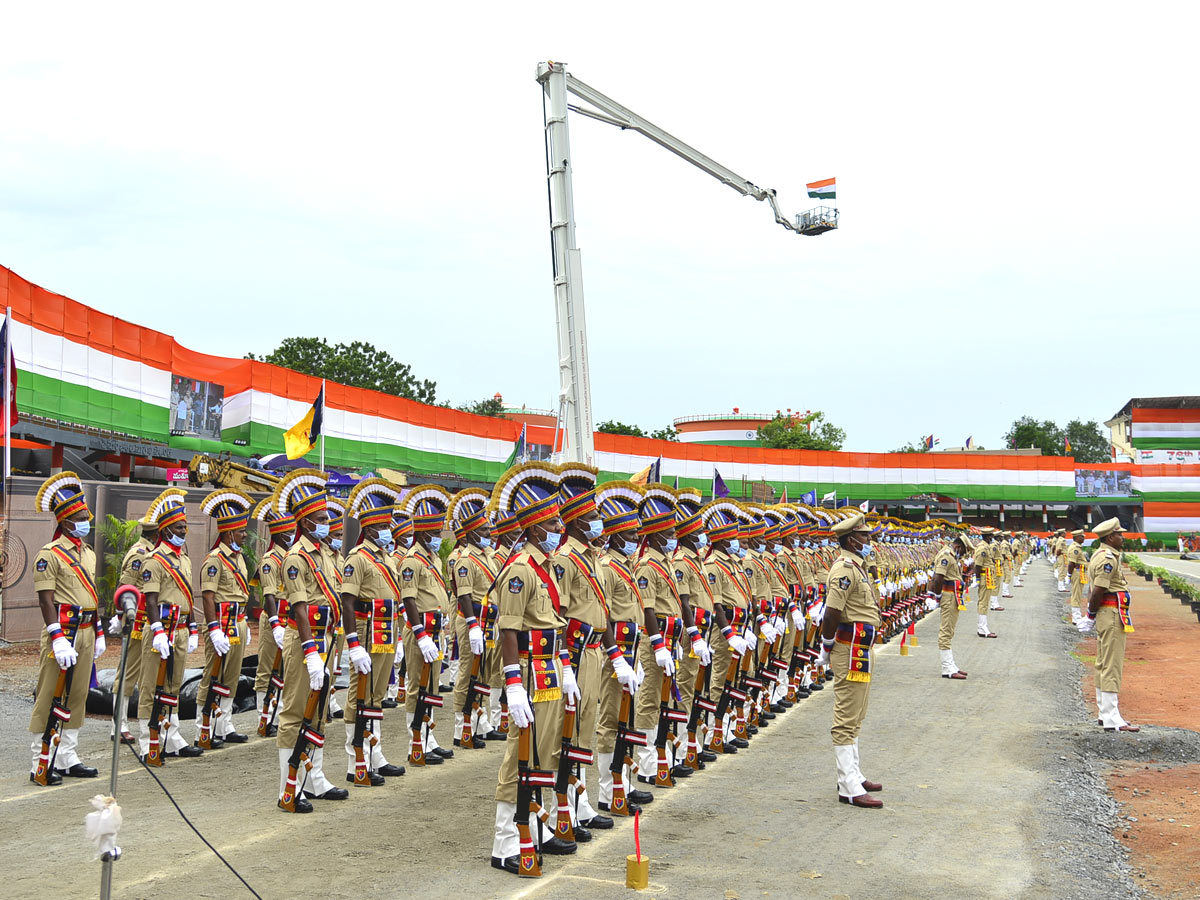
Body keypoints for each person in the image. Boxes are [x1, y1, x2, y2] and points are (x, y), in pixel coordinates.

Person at [488, 463, 574, 874]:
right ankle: (505, 841)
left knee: (543, 752)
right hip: (527, 671)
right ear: (537, 527)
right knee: (516, 755)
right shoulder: (520, 569)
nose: (561, 526)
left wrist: (564, 666)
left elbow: (553, 624)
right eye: (555, 520)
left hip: (549, 669)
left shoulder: (548, 566)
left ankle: (535, 829)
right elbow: (509, 629)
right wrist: (513, 685)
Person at [275, 468, 348, 811]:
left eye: (328, 518)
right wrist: (310, 652)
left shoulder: (326, 554)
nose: (327, 524)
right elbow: (301, 608)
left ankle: (313, 777)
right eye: (320, 519)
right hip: (306, 640)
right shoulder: (295, 558)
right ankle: (287, 788)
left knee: (318, 713)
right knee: (294, 711)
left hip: (327, 640)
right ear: (305, 524)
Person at [29, 472, 102, 784]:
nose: (87, 520)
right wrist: (57, 637)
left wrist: (98, 631)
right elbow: (46, 601)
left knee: (77, 695)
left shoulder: (88, 552)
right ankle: (39, 761)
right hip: (63, 632)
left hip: (85, 631)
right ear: (67, 520)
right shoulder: (49, 554)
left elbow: (91, 596)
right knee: (49, 694)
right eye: (82, 516)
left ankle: (68, 755)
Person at [340, 477, 407, 785]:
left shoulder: (386, 557)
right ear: (369, 529)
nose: (388, 531)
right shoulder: (358, 557)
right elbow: (348, 601)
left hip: (386, 629)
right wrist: (353, 643)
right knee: (360, 694)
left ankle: (374, 752)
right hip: (367, 631)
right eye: (383, 526)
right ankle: (356, 759)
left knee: (377, 694)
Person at [593, 482, 652, 816]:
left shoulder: (625, 566)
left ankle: (624, 781)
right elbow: (605, 617)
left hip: (631, 652)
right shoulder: (606, 567)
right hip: (613, 653)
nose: (634, 540)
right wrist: (617, 658)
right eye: (629, 535)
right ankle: (606, 789)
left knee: (625, 718)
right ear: (615, 536)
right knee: (610, 719)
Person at [818, 512, 883, 809]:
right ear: (850, 539)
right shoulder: (844, 569)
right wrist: (827, 646)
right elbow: (831, 614)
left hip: (860, 645)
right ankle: (848, 784)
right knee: (846, 716)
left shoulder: (857, 565)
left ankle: (853, 774)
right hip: (848, 645)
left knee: (857, 713)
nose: (869, 540)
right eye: (864, 536)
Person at [135, 488, 202, 761]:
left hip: (182, 629)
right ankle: (146, 741)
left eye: (185, 527)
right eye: (178, 527)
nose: (183, 532)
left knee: (174, 685)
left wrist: (194, 626)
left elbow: (188, 595)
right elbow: (150, 599)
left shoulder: (183, 558)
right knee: (151, 686)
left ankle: (171, 736)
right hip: (161, 629)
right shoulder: (154, 560)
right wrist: (158, 630)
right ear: (164, 530)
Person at [194, 488, 255, 748]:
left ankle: (224, 723)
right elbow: (208, 597)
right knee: (212, 674)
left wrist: (244, 624)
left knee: (231, 675)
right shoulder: (215, 560)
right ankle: (203, 727)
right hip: (221, 623)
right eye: (241, 531)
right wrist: (214, 629)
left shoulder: (238, 557)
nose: (244, 535)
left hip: (237, 621)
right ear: (229, 532)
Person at [398, 485, 455, 765]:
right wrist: (420, 635)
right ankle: (415, 742)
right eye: (434, 534)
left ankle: (429, 738)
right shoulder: (411, 560)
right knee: (416, 687)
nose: (437, 539)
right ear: (422, 534)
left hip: (435, 631)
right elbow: (409, 600)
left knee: (431, 686)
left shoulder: (431, 557)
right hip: (421, 631)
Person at [447, 487, 501, 748]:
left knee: (483, 675)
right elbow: (465, 596)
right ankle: (461, 728)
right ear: (470, 534)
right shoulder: (464, 560)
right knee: (468, 674)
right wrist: (472, 626)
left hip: (489, 623)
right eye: (483, 532)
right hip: (473, 622)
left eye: (489, 530)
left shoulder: (488, 557)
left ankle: (479, 722)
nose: (488, 535)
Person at [1078, 518, 1138, 732]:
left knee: (1103, 663)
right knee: (1111, 664)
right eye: (1119, 534)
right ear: (1110, 537)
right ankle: (1112, 717)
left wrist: (1091, 615)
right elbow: (1098, 590)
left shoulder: (1100, 554)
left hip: (1108, 614)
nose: (1123, 537)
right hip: (1111, 614)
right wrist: (1090, 614)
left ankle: (1106, 714)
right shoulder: (1108, 558)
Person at [108, 513, 157, 744]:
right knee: (128, 673)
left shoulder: (155, 553)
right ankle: (119, 725)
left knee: (145, 674)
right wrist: (120, 618)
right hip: (136, 620)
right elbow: (125, 587)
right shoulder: (139, 554)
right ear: (157, 532)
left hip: (151, 621)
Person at [251, 497, 296, 735]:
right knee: (267, 668)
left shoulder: (290, 556)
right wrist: (275, 623)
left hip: (288, 618)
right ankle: (263, 717)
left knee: (284, 669)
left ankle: (277, 715)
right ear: (278, 534)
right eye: (288, 530)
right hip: (274, 618)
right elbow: (269, 595)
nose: (292, 533)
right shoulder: (270, 560)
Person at [929, 531, 971, 680]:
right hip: (948, 596)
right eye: (964, 551)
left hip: (953, 596)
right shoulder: (947, 555)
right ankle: (947, 668)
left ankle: (951, 665)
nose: (963, 555)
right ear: (959, 546)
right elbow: (938, 577)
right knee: (946, 631)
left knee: (950, 630)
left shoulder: (951, 554)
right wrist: (937, 596)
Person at [1065, 529, 1088, 625]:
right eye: (1081, 536)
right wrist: (1069, 575)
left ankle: (1077, 616)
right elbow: (1071, 563)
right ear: (1076, 537)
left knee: (1078, 593)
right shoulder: (1075, 548)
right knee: (1076, 594)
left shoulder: (1077, 547)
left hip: (1080, 571)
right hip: (1077, 572)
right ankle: (1076, 617)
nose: (1083, 538)